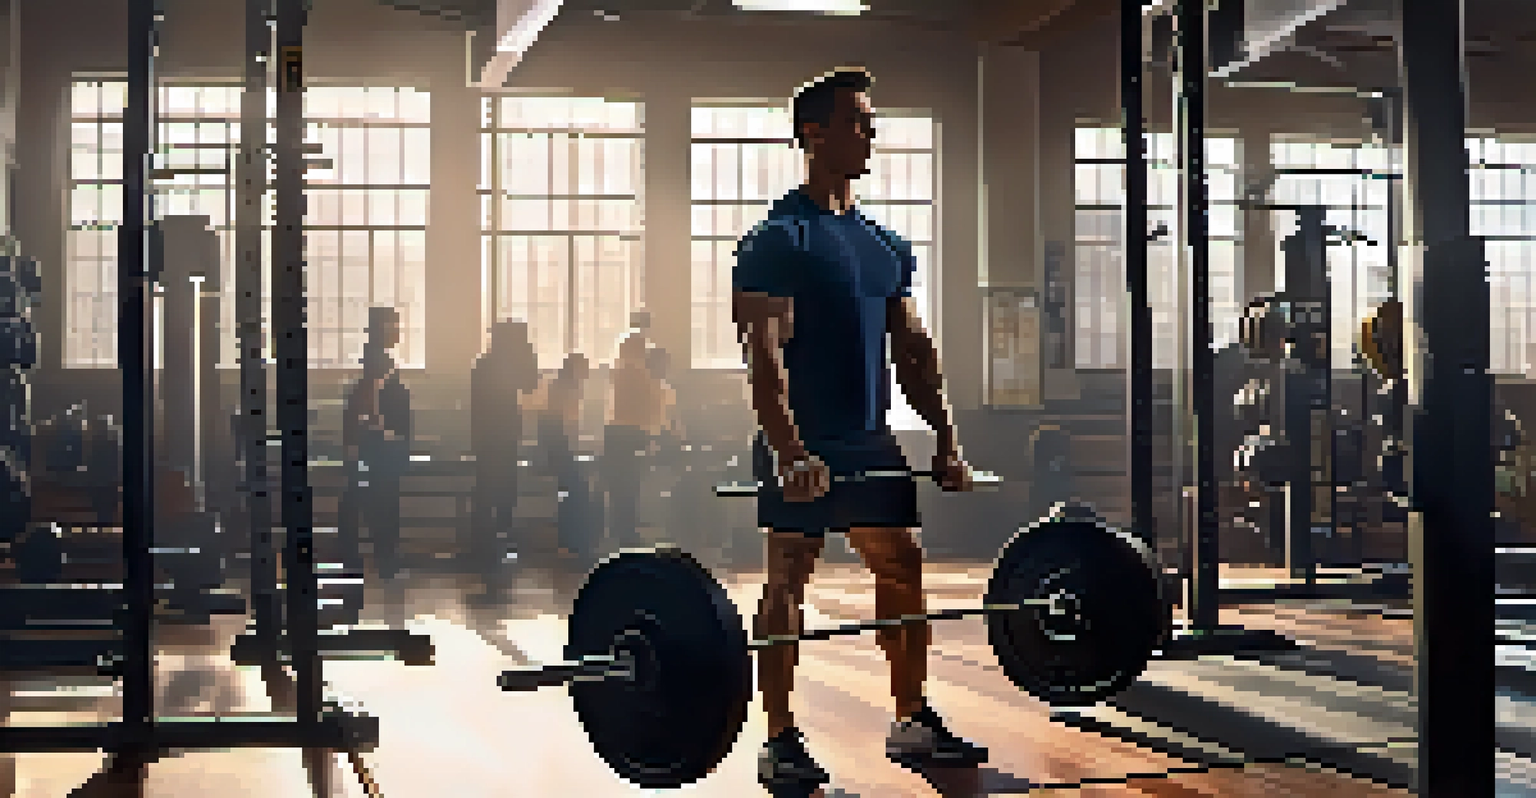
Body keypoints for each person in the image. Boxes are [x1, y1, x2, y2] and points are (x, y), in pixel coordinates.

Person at [733, 66, 986, 795]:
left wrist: (944, 438)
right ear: (813, 133)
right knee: (787, 582)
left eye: (872, 122)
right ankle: (778, 738)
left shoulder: (884, 244)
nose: (871, 133)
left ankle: (911, 719)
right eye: (857, 121)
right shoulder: (778, 238)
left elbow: (913, 349)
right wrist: (788, 452)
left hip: (870, 441)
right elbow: (764, 357)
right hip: (804, 444)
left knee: (903, 567)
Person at [342, 307, 412, 580]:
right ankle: (385, 557)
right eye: (393, 325)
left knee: (372, 499)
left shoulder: (380, 357)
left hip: (378, 441)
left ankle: (375, 554)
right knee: (382, 500)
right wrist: (383, 428)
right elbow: (369, 394)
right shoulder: (378, 360)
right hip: (380, 444)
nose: (398, 330)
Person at [471, 320, 541, 559]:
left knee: (486, 489)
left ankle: (484, 539)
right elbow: (532, 385)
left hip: (486, 437)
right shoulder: (506, 368)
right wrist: (529, 354)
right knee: (504, 488)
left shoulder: (483, 364)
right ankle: (501, 535)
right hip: (503, 435)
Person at [536, 352, 593, 558]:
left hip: (555, 450)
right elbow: (568, 424)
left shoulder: (557, 387)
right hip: (562, 451)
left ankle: (567, 542)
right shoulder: (570, 391)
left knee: (569, 494)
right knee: (578, 493)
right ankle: (575, 542)